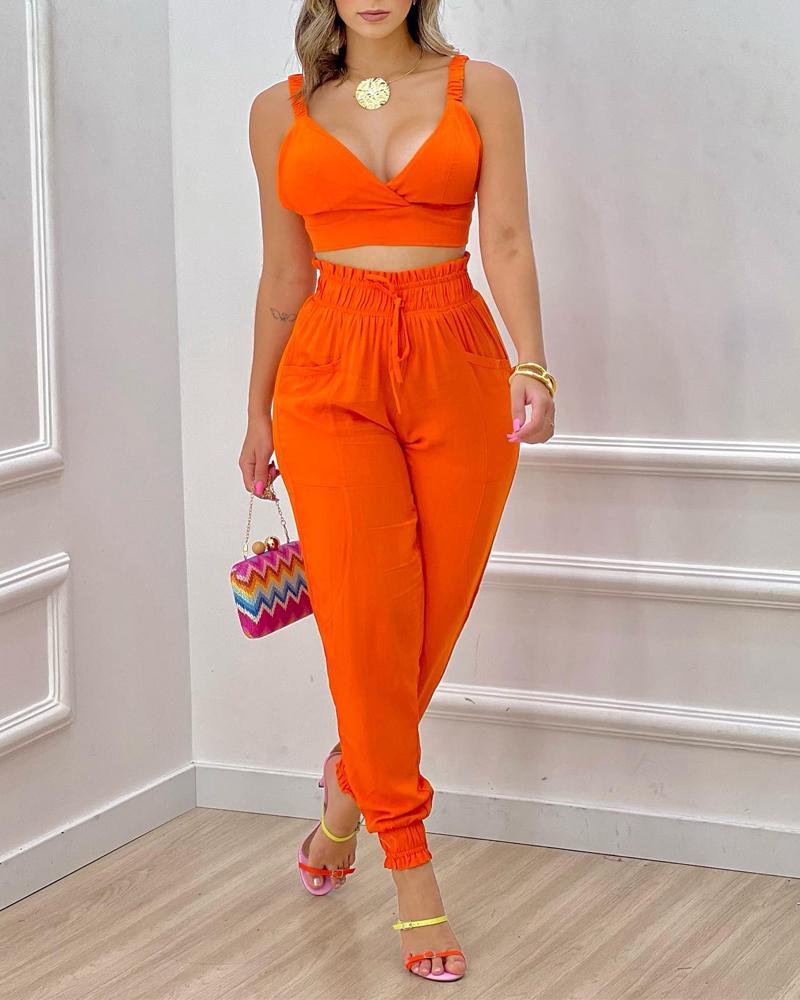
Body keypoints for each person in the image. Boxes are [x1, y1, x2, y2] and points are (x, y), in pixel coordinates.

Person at [240, 0, 555, 983]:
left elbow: (507, 240)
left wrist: (532, 365)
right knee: (366, 617)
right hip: (327, 365)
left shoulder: (482, 90)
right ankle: (411, 870)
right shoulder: (279, 109)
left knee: (425, 622)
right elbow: (283, 274)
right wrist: (255, 410)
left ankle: (345, 796)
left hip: (457, 355)